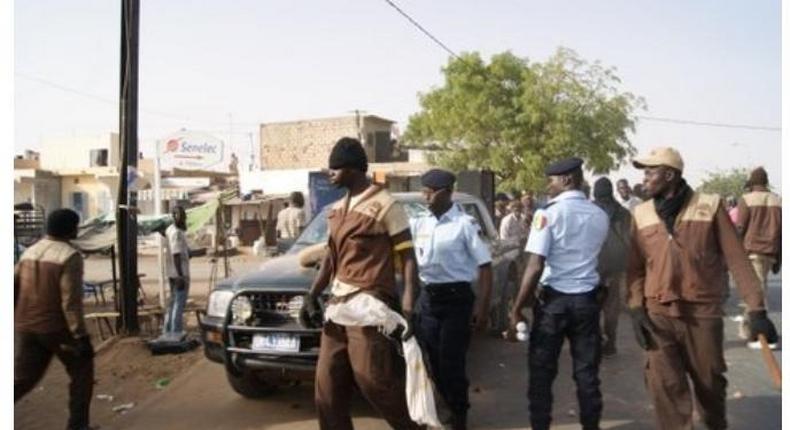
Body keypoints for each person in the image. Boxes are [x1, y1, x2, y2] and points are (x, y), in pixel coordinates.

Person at [627, 147, 777, 430]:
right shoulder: (641, 213)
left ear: (670, 175)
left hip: (702, 314)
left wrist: (756, 308)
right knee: (665, 388)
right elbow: (635, 268)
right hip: (658, 315)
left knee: (710, 384)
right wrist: (636, 307)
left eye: (650, 171)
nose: (644, 178)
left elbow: (738, 260)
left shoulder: (710, 206)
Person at [301, 137, 422, 430]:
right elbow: (331, 257)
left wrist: (408, 307)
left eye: (335, 168)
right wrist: (312, 295)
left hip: (369, 306)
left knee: (375, 382)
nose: (330, 173)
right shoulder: (338, 209)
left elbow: (408, 258)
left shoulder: (385, 206)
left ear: (353, 170)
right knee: (327, 388)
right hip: (337, 307)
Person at [509, 157, 609, 430]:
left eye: (551, 180)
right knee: (587, 375)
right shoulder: (599, 214)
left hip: (554, 303)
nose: (548, 185)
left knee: (541, 374)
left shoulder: (548, 214)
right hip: (587, 302)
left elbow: (535, 265)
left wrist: (517, 307)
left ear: (566, 179)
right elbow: (604, 259)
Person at [411, 169, 493, 430]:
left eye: (429, 192)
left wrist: (482, 307)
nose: (425, 197)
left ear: (446, 192)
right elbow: (410, 262)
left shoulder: (465, 224)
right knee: (432, 362)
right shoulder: (418, 223)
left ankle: (459, 416)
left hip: (457, 301)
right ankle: (445, 408)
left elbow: (485, 266)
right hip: (428, 299)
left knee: (451, 363)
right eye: (423, 191)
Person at [15, 208, 97, 430]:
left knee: (23, 379)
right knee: (82, 371)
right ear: (69, 229)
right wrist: (80, 336)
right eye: (76, 225)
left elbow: (13, 286)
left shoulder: (29, 252)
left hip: (26, 325)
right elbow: (70, 302)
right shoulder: (69, 256)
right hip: (56, 328)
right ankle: (78, 426)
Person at [735, 167, 781, 339]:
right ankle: (750, 328)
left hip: (752, 250)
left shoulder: (746, 199)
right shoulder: (777, 200)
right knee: (759, 288)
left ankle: (754, 328)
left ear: (752, 184)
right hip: (770, 251)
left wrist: (734, 253)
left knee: (755, 291)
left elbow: (740, 228)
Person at [592, 177, 632, 357]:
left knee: (593, 305)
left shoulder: (589, 211)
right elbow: (629, 239)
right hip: (616, 264)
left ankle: (597, 340)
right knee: (611, 306)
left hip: (594, 264)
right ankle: (611, 344)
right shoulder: (623, 213)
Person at [162, 206, 190, 339]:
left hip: (171, 273)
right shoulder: (177, 233)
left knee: (172, 304)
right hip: (179, 273)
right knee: (179, 304)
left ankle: (167, 332)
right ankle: (175, 333)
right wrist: (180, 275)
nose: (184, 218)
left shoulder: (169, 230)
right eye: (181, 215)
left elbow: (181, 252)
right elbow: (176, 254)